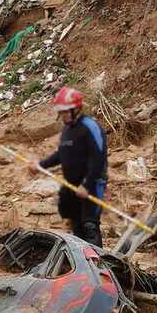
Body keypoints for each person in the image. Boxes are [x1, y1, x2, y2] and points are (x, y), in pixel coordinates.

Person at [28, 87, 108, 246]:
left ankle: (98, 263)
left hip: (91, 183)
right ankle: (82, 262)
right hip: (71, 185)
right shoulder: (67, 130)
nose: (62, 116)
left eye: (65, 112)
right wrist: (41, 165)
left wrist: (87, 184)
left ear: (77, 108)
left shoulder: (90, 127)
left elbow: (98, 158)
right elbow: (61, 154)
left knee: (89, 225)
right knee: (76, 224)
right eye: (61, 112)